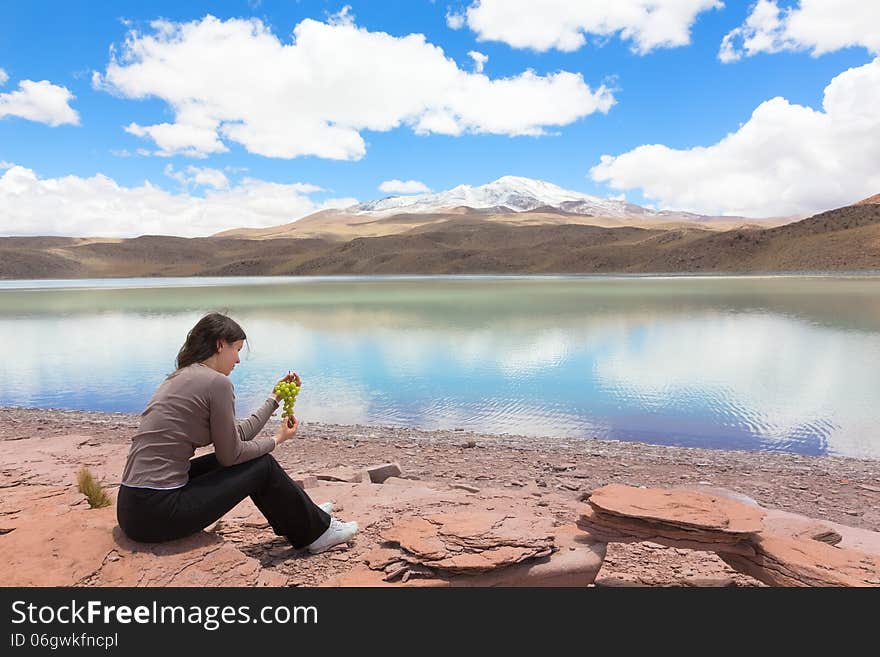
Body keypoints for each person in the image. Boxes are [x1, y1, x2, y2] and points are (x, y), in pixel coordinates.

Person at [116, 312, 358, 554]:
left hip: (132, 506)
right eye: (238, 349)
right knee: (261, 465)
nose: (238, 360)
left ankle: (305, 514)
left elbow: (235, 436)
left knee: (248, 460)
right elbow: (231, 455)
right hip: (157, 512)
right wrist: (278, 439)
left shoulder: (181, 376)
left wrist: (275, 399)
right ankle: (315, 534)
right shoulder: (216, 383)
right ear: (220, 344)